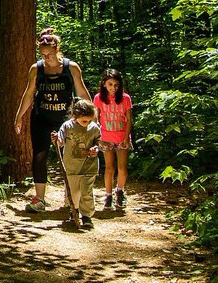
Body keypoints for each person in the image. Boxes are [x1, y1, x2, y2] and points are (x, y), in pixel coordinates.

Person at [14, 27, 90, 212]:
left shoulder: (71, 68)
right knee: (39, 157)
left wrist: (92, 114)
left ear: (57, 50)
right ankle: (39, 198)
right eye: (43, 54)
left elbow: (81, 91)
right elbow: (29, 94)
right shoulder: (36, 69)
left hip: (65, 119)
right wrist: (19, 117)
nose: (46, 58)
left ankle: (70, 196)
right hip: (41, 118)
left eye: (49, 54)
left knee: (70, 157)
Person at [54, 98, 101, 228]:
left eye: (89, 120)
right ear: (75, 115)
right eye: (84, 120)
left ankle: (87, 216)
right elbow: (60, 142)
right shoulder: (67, 126)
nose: (87, 123)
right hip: (71, 166)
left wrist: (95, 149)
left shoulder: (94, 128)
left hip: (89, 166)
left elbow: (99, 142)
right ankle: (73, 212)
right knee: (73, 191)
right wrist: (56, 139)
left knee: (86, 191)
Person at [93, 68, 133, 209]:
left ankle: (120, 191)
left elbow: (129, 119)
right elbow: (95, 117)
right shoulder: (98, 98)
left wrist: (127, 137)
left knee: (122, 168)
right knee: (109, 168)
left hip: (121, 137)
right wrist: (98, 137)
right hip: (106, 137)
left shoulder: (125, 98)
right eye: (110, 84)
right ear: (104, 84)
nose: (113, 88)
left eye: (116, 85)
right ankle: (108, 195)